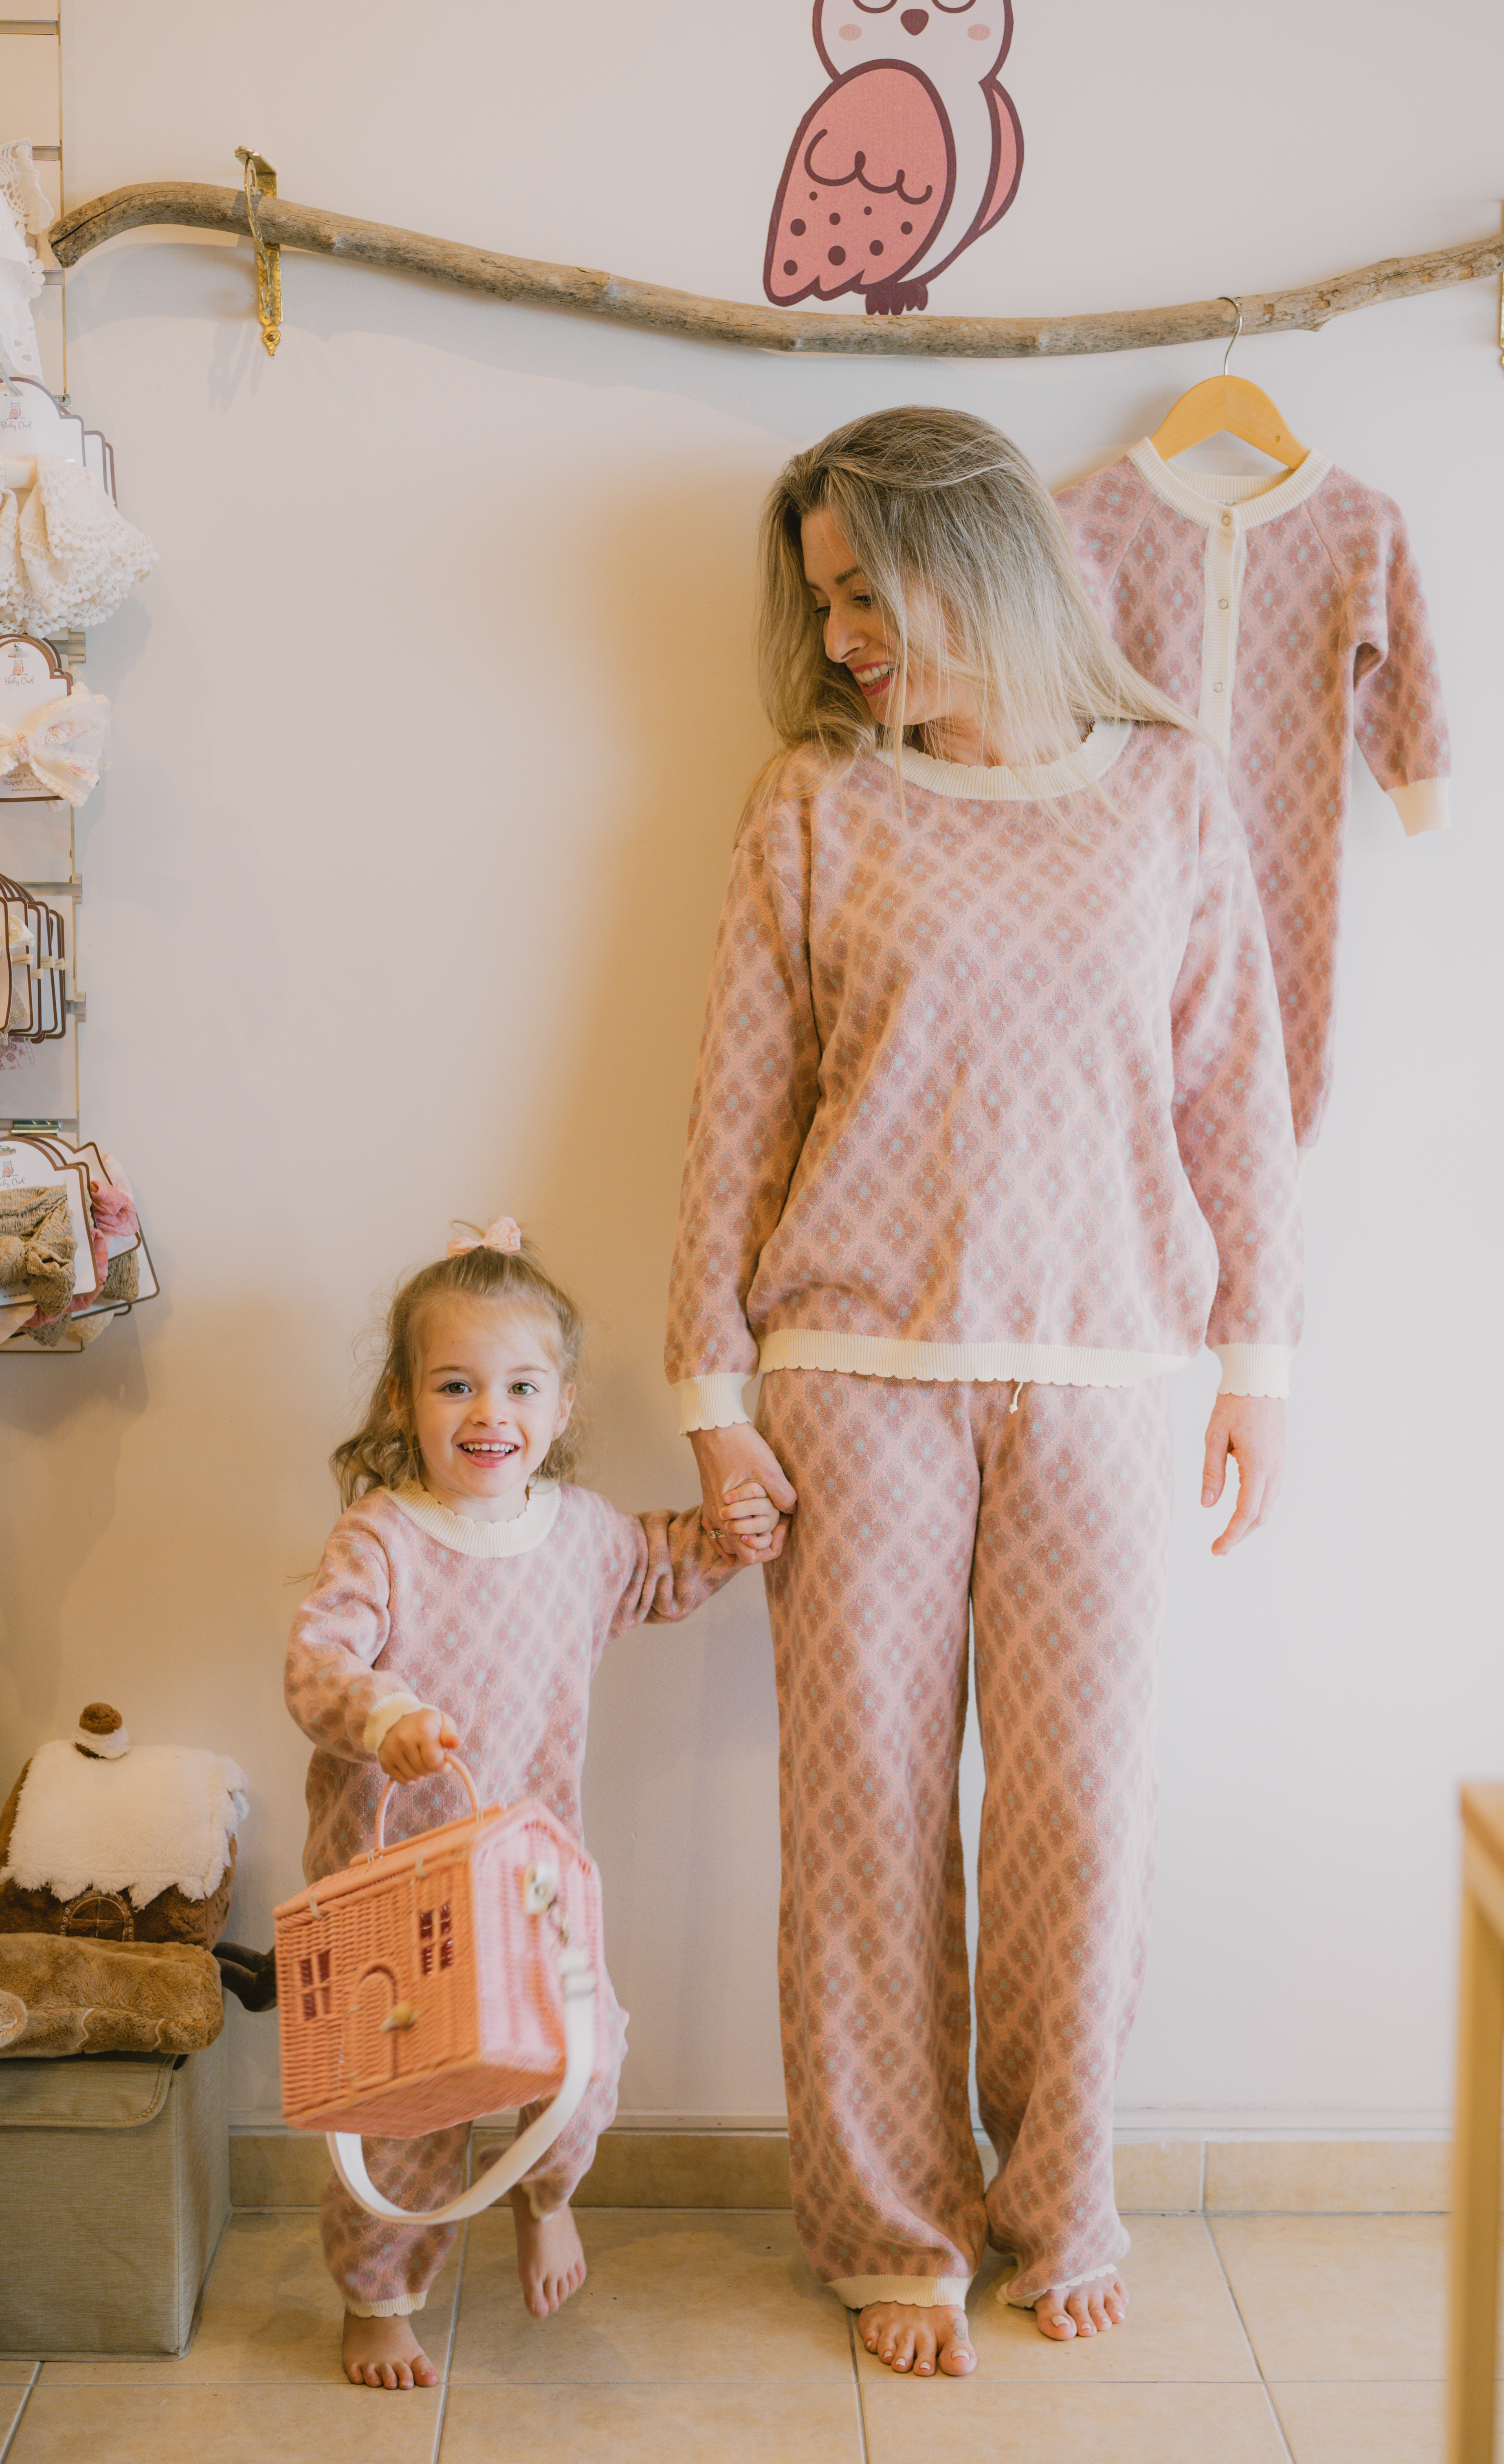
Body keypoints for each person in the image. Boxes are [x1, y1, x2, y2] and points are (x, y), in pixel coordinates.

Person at [666, 407, 1302, 2380]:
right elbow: (737, 1113)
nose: (846, 635)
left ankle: (1062, 2200)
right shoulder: (812, 804)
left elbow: (1237, 1105)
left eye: (870, 587)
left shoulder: (1171, 798)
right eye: (824, 600)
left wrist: (1257, 1363)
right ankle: (890, 2225)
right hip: (850, 1372)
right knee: (856, 1817)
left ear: (982, 555)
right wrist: (707, 1385)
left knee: (1075, 1822)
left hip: (1108, 1370)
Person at [285, 1216, 783, 2389]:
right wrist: (384, 1718)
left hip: (534, 1882)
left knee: (585, 2058)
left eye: (518, 1385)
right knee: (407, 2103)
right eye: (455, 1384)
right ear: (406, 1402)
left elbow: (666, 1569)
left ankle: (543, 2198)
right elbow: (317, 1664)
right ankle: (378, 2297)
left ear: (561, 1409)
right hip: (394, 1883)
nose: (486, 1412)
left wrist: (734, 1529)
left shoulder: (583, 1537)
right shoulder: (385, 1538)